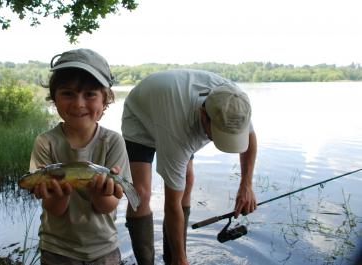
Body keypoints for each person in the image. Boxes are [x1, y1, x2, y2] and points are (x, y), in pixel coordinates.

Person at [121, 69, 258, 265]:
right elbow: (171, 204)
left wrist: (246, 185)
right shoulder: (178, 130)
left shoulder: (234, 103)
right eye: (217, 133)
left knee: (188, 179)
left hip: (174, 107)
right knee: (140, 193)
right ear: (203, 115)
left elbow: (250, 138)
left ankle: (173, 257)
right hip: (141, 116)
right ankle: (149, 261)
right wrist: (181, 259)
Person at [29, 48, 131, 265]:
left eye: (90, 94)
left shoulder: (113, 142)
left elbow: (107, 206)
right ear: (54, 99)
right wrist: (59, 194)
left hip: (103, 248)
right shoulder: (45, 143)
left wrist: (100, 193)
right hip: (57, 249)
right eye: (68, 93)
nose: (78, 104)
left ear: (105, 100)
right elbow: (54, 208)